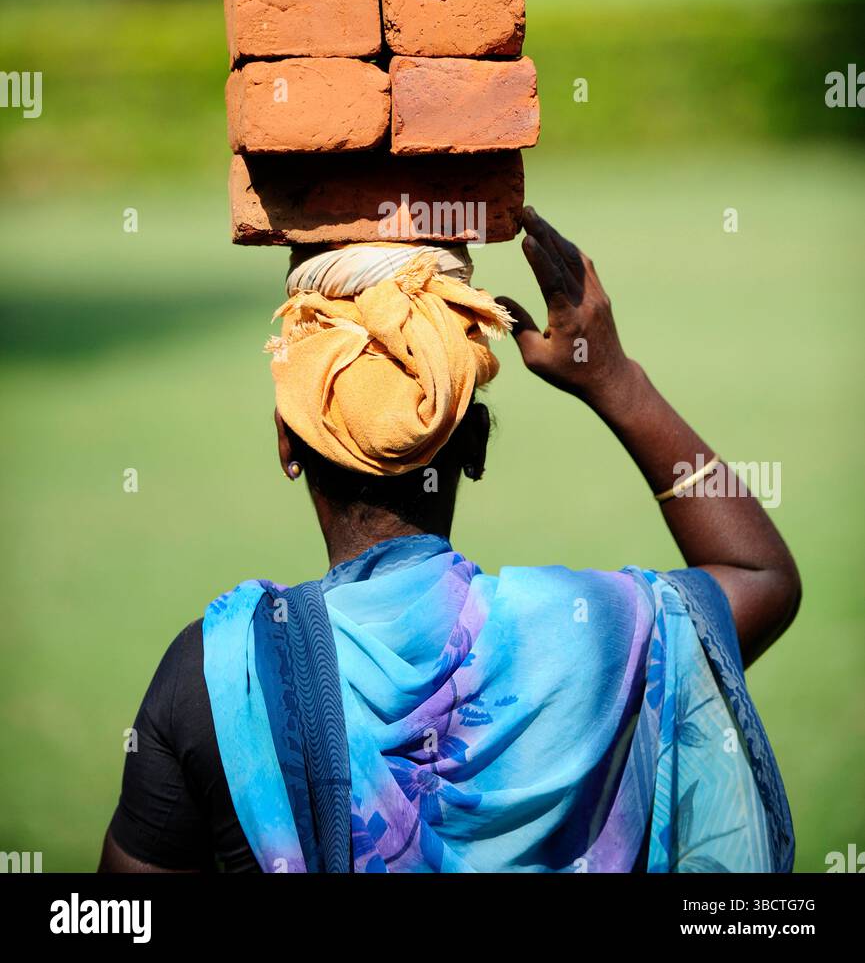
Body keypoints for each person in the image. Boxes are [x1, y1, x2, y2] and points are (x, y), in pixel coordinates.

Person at [99, 208, 799, 874]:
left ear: (287, 443)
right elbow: (757, 574)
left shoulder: (223, 675)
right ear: (475, 447)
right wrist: (615, 381)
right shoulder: (588, 636)